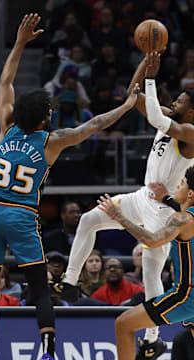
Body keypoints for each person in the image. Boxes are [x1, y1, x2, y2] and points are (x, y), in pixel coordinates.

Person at [0, 13, 139, 360]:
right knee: (39, 288)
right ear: (45, 117)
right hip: (20, 214)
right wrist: (125, 106)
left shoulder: (6, 126)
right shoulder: (52, 142)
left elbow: (5, 81)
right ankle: (48, 351)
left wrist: (19, 42)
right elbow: (94, 124)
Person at [53, 51, 194, 358]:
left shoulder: (190, 133)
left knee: (152, 268)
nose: (177, 102)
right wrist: (146, 61)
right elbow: (133, 96)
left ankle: (153, 339)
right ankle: (71, 281)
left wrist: (154, 78)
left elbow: (155, 115)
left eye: (182, 100)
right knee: (90, 219)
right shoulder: (169, 117)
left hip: (165, 208)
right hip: (142, 195)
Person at [96, 165, 194, 360]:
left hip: (187, 294)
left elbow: (152, 240)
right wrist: (166, 198)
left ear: (190, 192)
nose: (177, 185)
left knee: (123, 324)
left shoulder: (182, 219)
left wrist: (119, 217)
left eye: (181, 183)